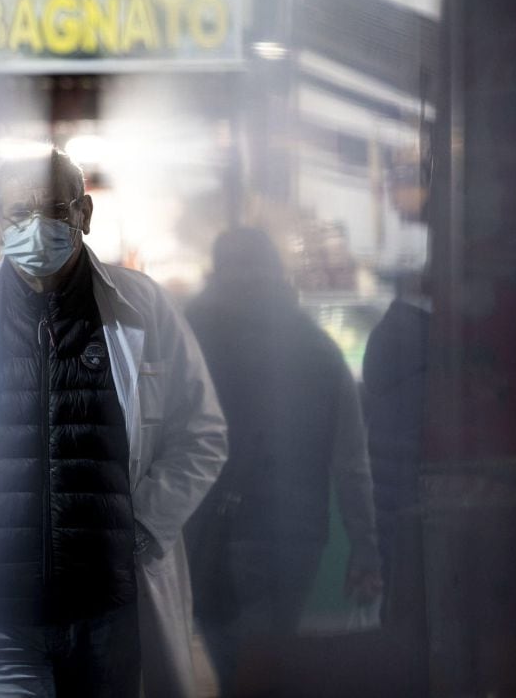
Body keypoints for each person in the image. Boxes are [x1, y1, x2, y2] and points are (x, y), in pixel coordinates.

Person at [0, 148, 227, 698]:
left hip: (108, 613)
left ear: (84, 214)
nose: (35, 228)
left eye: (54, 211)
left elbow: (202, 434)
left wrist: (144, 526)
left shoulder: (143, 307)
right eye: (18, 213)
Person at [184, 226, 381, 697]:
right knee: (271, 657)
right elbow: (351, 463)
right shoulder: (317, 348)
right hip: (291, 536)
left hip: (205, 527)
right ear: (278, 274)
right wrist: (366, 546)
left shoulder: (187, 345)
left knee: (229, 657)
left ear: (215, 273)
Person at [362, 272, 430, 604]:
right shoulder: (428, 355)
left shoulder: (386, 338)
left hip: (389, 510)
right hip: (418, 515)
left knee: (397, 600)